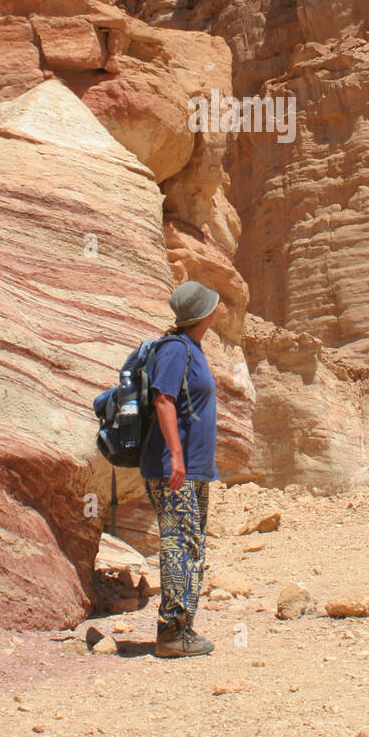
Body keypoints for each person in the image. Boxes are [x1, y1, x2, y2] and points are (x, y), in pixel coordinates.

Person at [140, 280, 221, 658]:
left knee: (192, 545)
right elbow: (164, 400)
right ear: (204, 313)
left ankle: (183, 628)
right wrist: (175, 455)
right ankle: (170, 633)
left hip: (195, 470)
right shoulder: (175, 349)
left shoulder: (193, 348)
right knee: (177, 545)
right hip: (174, 470)